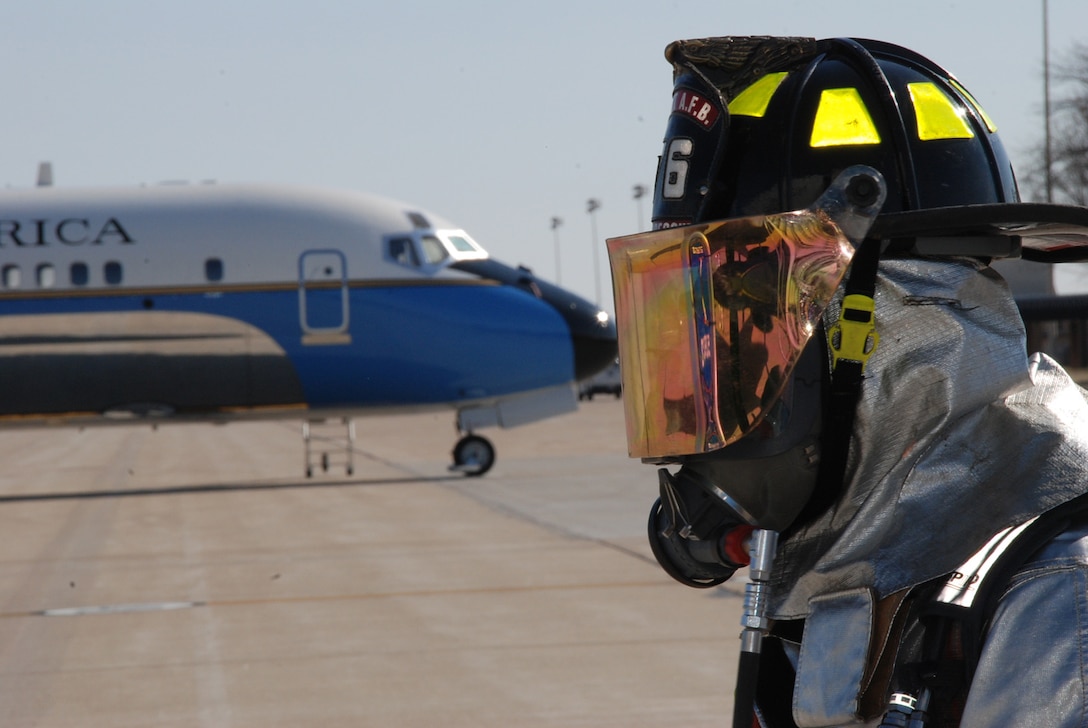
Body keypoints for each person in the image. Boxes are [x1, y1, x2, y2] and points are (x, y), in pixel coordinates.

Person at [606, 36, 1088, 727]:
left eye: (736, 346)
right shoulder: (863, 566)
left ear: (880, 328)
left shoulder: (1060, 597)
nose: (706, 408)